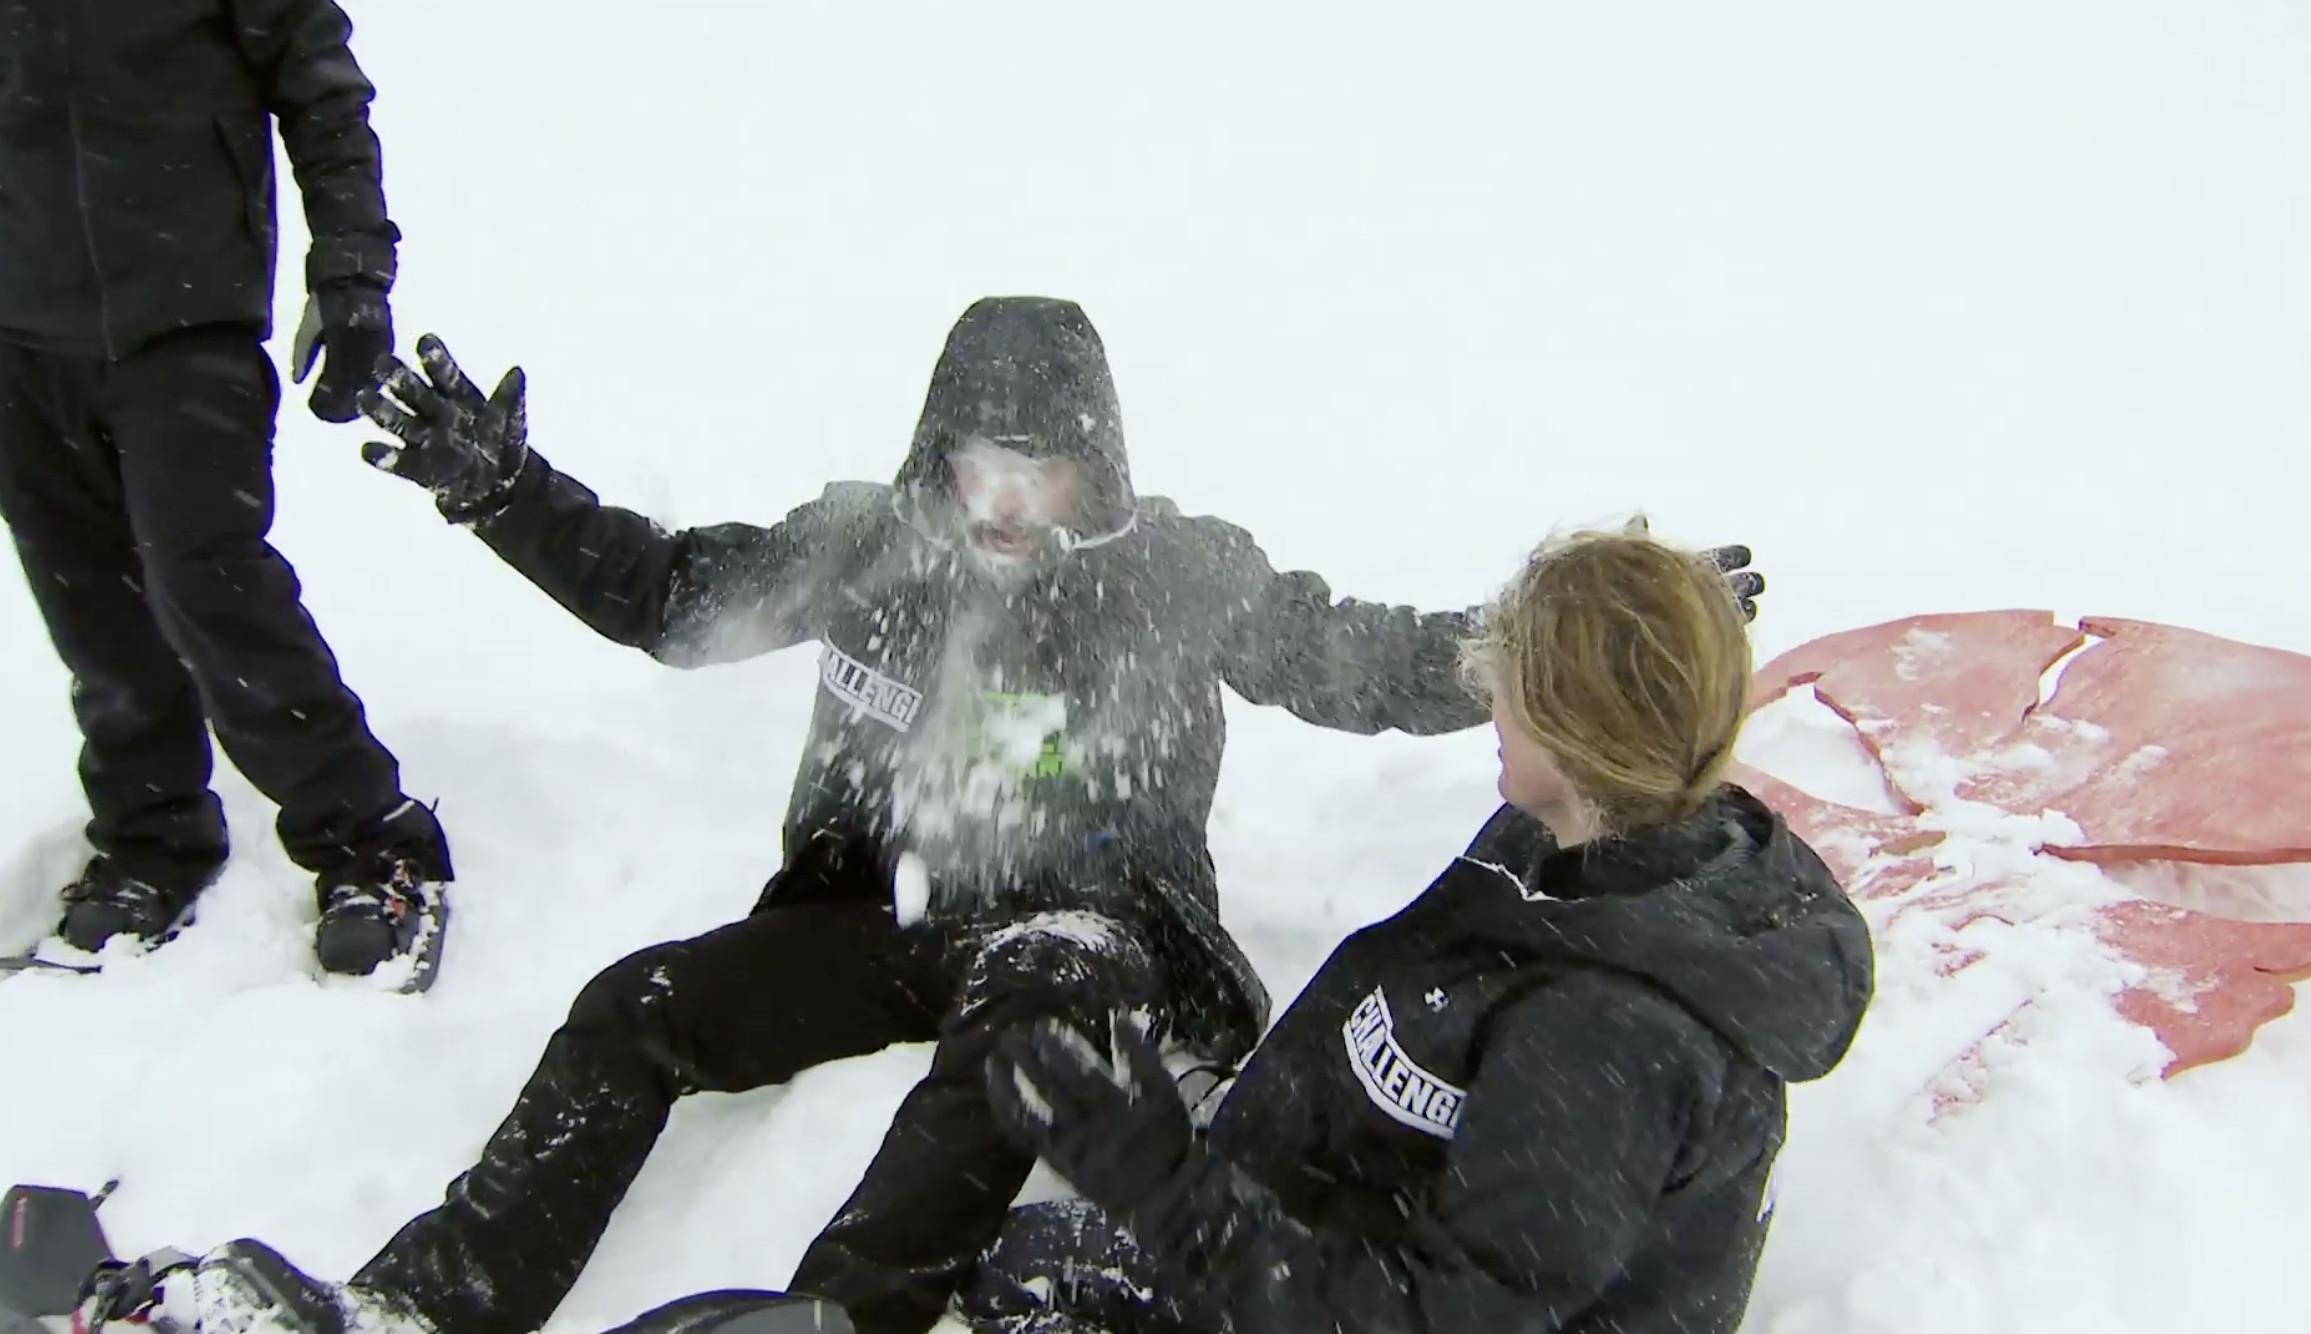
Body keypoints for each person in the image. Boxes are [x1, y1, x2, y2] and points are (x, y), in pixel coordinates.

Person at [140, 297, 1764, 1334]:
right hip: (891, 912)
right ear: (938, 453)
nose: (1004, 499)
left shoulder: (1176, 574)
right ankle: (420, 1302)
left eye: (1042, 470)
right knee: (637, 1005)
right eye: (982, 462)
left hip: (1108, 929)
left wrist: (1567, 655)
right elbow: (669, 592)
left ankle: (838, 1318)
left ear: (1095, 470)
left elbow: (1358, 656)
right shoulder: (869, 544)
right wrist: (508, 491)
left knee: (1029, 1005)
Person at [959, 526, 1873, 1334]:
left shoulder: (1607, 1042)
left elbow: (1429, 1317)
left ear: (1575, 726)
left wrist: (1166, 1189)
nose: (1488, 703)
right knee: (1007, 1261)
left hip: (1368, 1300)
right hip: (1340, 1216)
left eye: (1506, 685)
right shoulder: (1586, 833)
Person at [0, 0, 453, 981]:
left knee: (208, 580)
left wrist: (352, 269)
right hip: (22, 334)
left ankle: (374, 843)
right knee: (89, 606)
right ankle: (151, 837)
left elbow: (318, 78)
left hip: (186, 312)